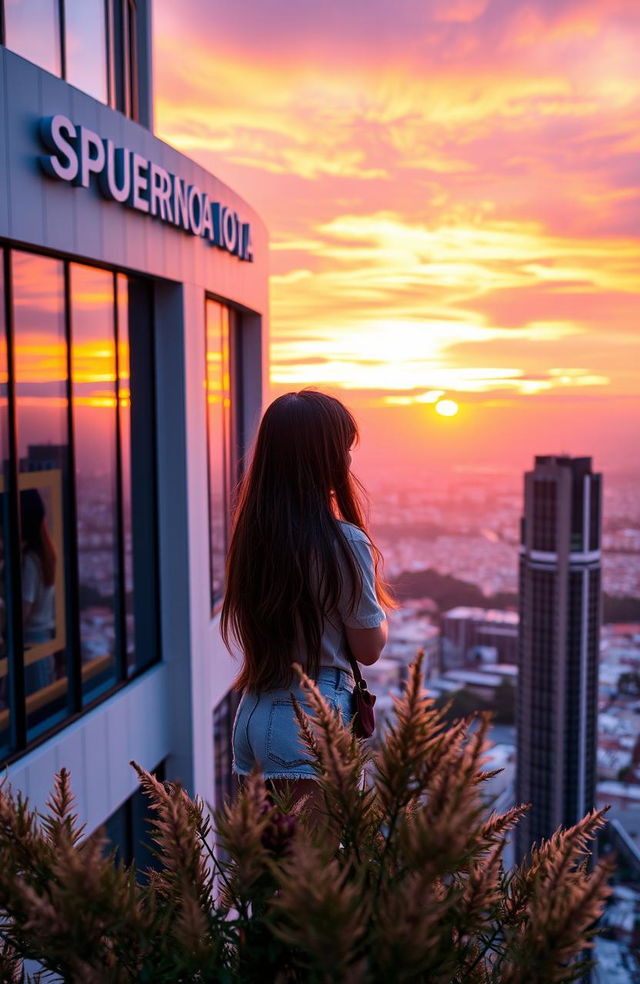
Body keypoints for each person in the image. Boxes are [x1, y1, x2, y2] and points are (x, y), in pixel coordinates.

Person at [221, 390, 393, 806]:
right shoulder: (344, 541)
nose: (349, 461)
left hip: (254, 712)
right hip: (310, 718)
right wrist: (380, 617)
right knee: (313, 868)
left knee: (268, 862)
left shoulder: (253, 537)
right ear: (323, 458)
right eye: (343, 449)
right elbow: (368, 649)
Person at [21, 489, 57, 694]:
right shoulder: (44, 555)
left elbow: (22, 612)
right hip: (43, 645)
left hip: (31, 648)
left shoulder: (29, 562)